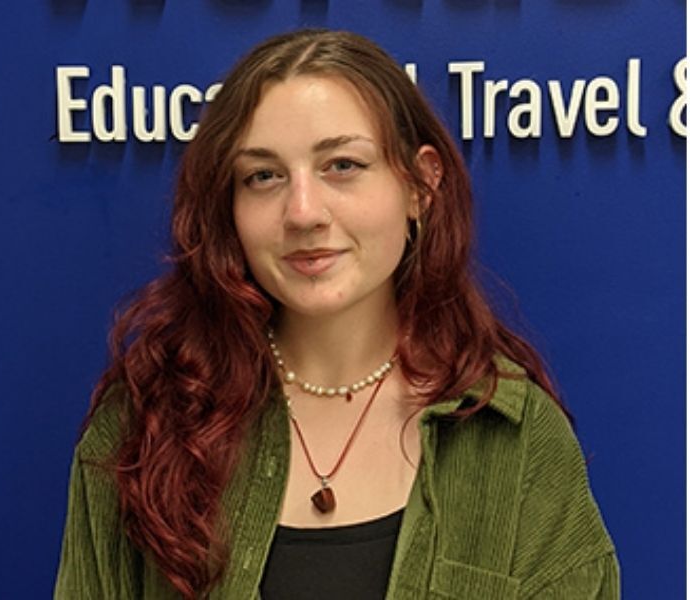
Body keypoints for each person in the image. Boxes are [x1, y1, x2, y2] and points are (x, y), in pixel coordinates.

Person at [54, 29, 619, 599]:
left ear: (421, 184)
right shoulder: (146, 423)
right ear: (230, 207)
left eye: (342, 165)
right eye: (264, 176)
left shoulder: (515, 440)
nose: (303, 212)